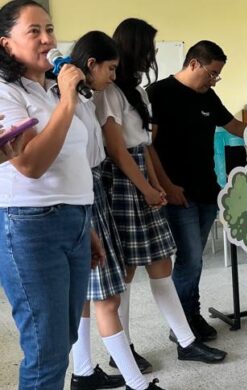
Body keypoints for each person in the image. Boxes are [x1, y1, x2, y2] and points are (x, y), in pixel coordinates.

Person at [94, 18, 227, 380]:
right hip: (124, 185)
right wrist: (149, 187)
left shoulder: (133, 90)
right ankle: (120, 351)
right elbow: (118, 151)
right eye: (149, 48)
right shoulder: (108, 91)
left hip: (142, 180)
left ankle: (186, 341)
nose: (152, 55)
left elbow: (145, 147)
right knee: (123, 277)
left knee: (161, 268)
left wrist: (157, 184)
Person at [0, 1, 98, 388]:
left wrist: (83, 225)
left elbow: (69, 162)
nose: (47, 39)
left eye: (50, 29)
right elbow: (31, 164)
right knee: (46, 351)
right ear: (7, 44)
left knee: (65, 337)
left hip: (72, 219)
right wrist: (70, 100)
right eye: (34, 32)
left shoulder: (52, 91)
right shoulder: (6, 90)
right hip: (30, 225)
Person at [67, 30, 163, 390]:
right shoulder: (69, 103)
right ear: (90, 64)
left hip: (93, 191)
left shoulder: (88, 97)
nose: (113, 75)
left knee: (93, 295)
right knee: (107, 295)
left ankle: (83, 372)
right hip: (82, 193)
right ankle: (137, 385)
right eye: (109, 68)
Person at [147, 40, 245, 342]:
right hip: (178, 193)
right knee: (190, 259)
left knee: (195, 259)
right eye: (212, 73)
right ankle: (183, 325)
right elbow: (148, 146)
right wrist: (165, 186)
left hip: (206, 190)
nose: (214, 80)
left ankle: (190, 315)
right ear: (193, 64)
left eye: (218, 76)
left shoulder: (208, 97)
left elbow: (236, 127)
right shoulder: (159, 94)